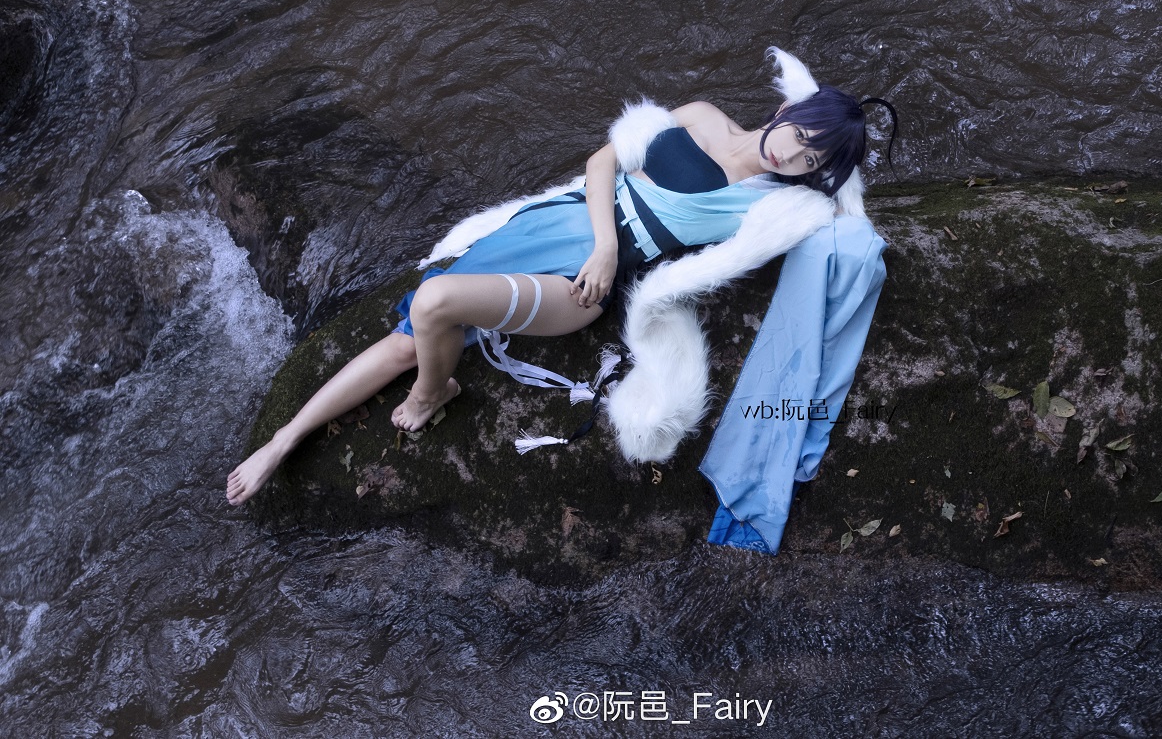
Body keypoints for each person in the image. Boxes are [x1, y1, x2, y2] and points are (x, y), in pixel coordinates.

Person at [226, 49, 889, 505]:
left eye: (811, 160)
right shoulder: (702, 115)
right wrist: (604, 242)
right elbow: (602, 162)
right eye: (802, 135)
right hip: (561, 228)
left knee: (433, 301)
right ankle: (285, 442)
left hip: (581, 286)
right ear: (791, 109)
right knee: (407, 339)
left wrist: (606, 257)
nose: (791, 154)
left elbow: (846, 227)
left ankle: (432, 394)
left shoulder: (768, 205)